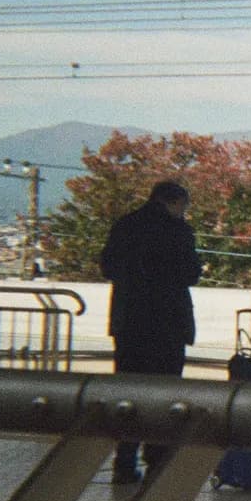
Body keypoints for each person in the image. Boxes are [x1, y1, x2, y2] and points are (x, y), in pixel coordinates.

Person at [99, 179, 203, 483]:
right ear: (172, 202)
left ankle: (125, 460)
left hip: (129, 323)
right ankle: (157, 458)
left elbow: (108, 267)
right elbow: (191, 273)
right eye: (183, 205)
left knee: (129, 393)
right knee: (164, 392)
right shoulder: (178, 231)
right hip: (167, 324)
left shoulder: (125, 225)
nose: (184, 211)